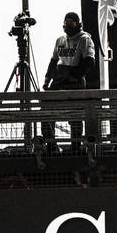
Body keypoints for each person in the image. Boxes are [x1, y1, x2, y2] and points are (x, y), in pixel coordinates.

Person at [41, 11, 97, 153]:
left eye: (72, 23)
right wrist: (47, 79)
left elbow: (90, 61)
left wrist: (76, 76)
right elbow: (53, 60)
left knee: (76, 116)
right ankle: (51, 146)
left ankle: (76, 147)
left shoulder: (85, 39)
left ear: (78, 24)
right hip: (59, 78)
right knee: (46, 111)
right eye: (67, 23)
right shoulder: (60, 40)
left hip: (74, 80)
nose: (68, 25)